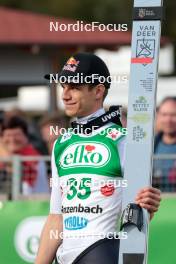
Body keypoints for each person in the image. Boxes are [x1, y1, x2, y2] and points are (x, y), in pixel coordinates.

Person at [36, 53, 161, 264]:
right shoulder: (61, 143)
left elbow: (137, 212)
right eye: (63, 87)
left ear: (98, 90)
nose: (65, 95)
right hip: (64, 256)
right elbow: (56, 217)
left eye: (74, 87)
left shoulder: (124, 141)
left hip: (101, 252)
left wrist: (149, 205)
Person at [1, 116, 49, 195]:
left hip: (33, 204)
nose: (12, 140)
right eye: (8, 135)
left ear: (26, 137)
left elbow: (26, 188)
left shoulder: (31, 156)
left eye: (17, 135)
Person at [153, 97, 176, 191]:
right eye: (164, 114)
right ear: (158, 116)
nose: (168, 120)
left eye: (173, 115)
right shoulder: (150, 146)